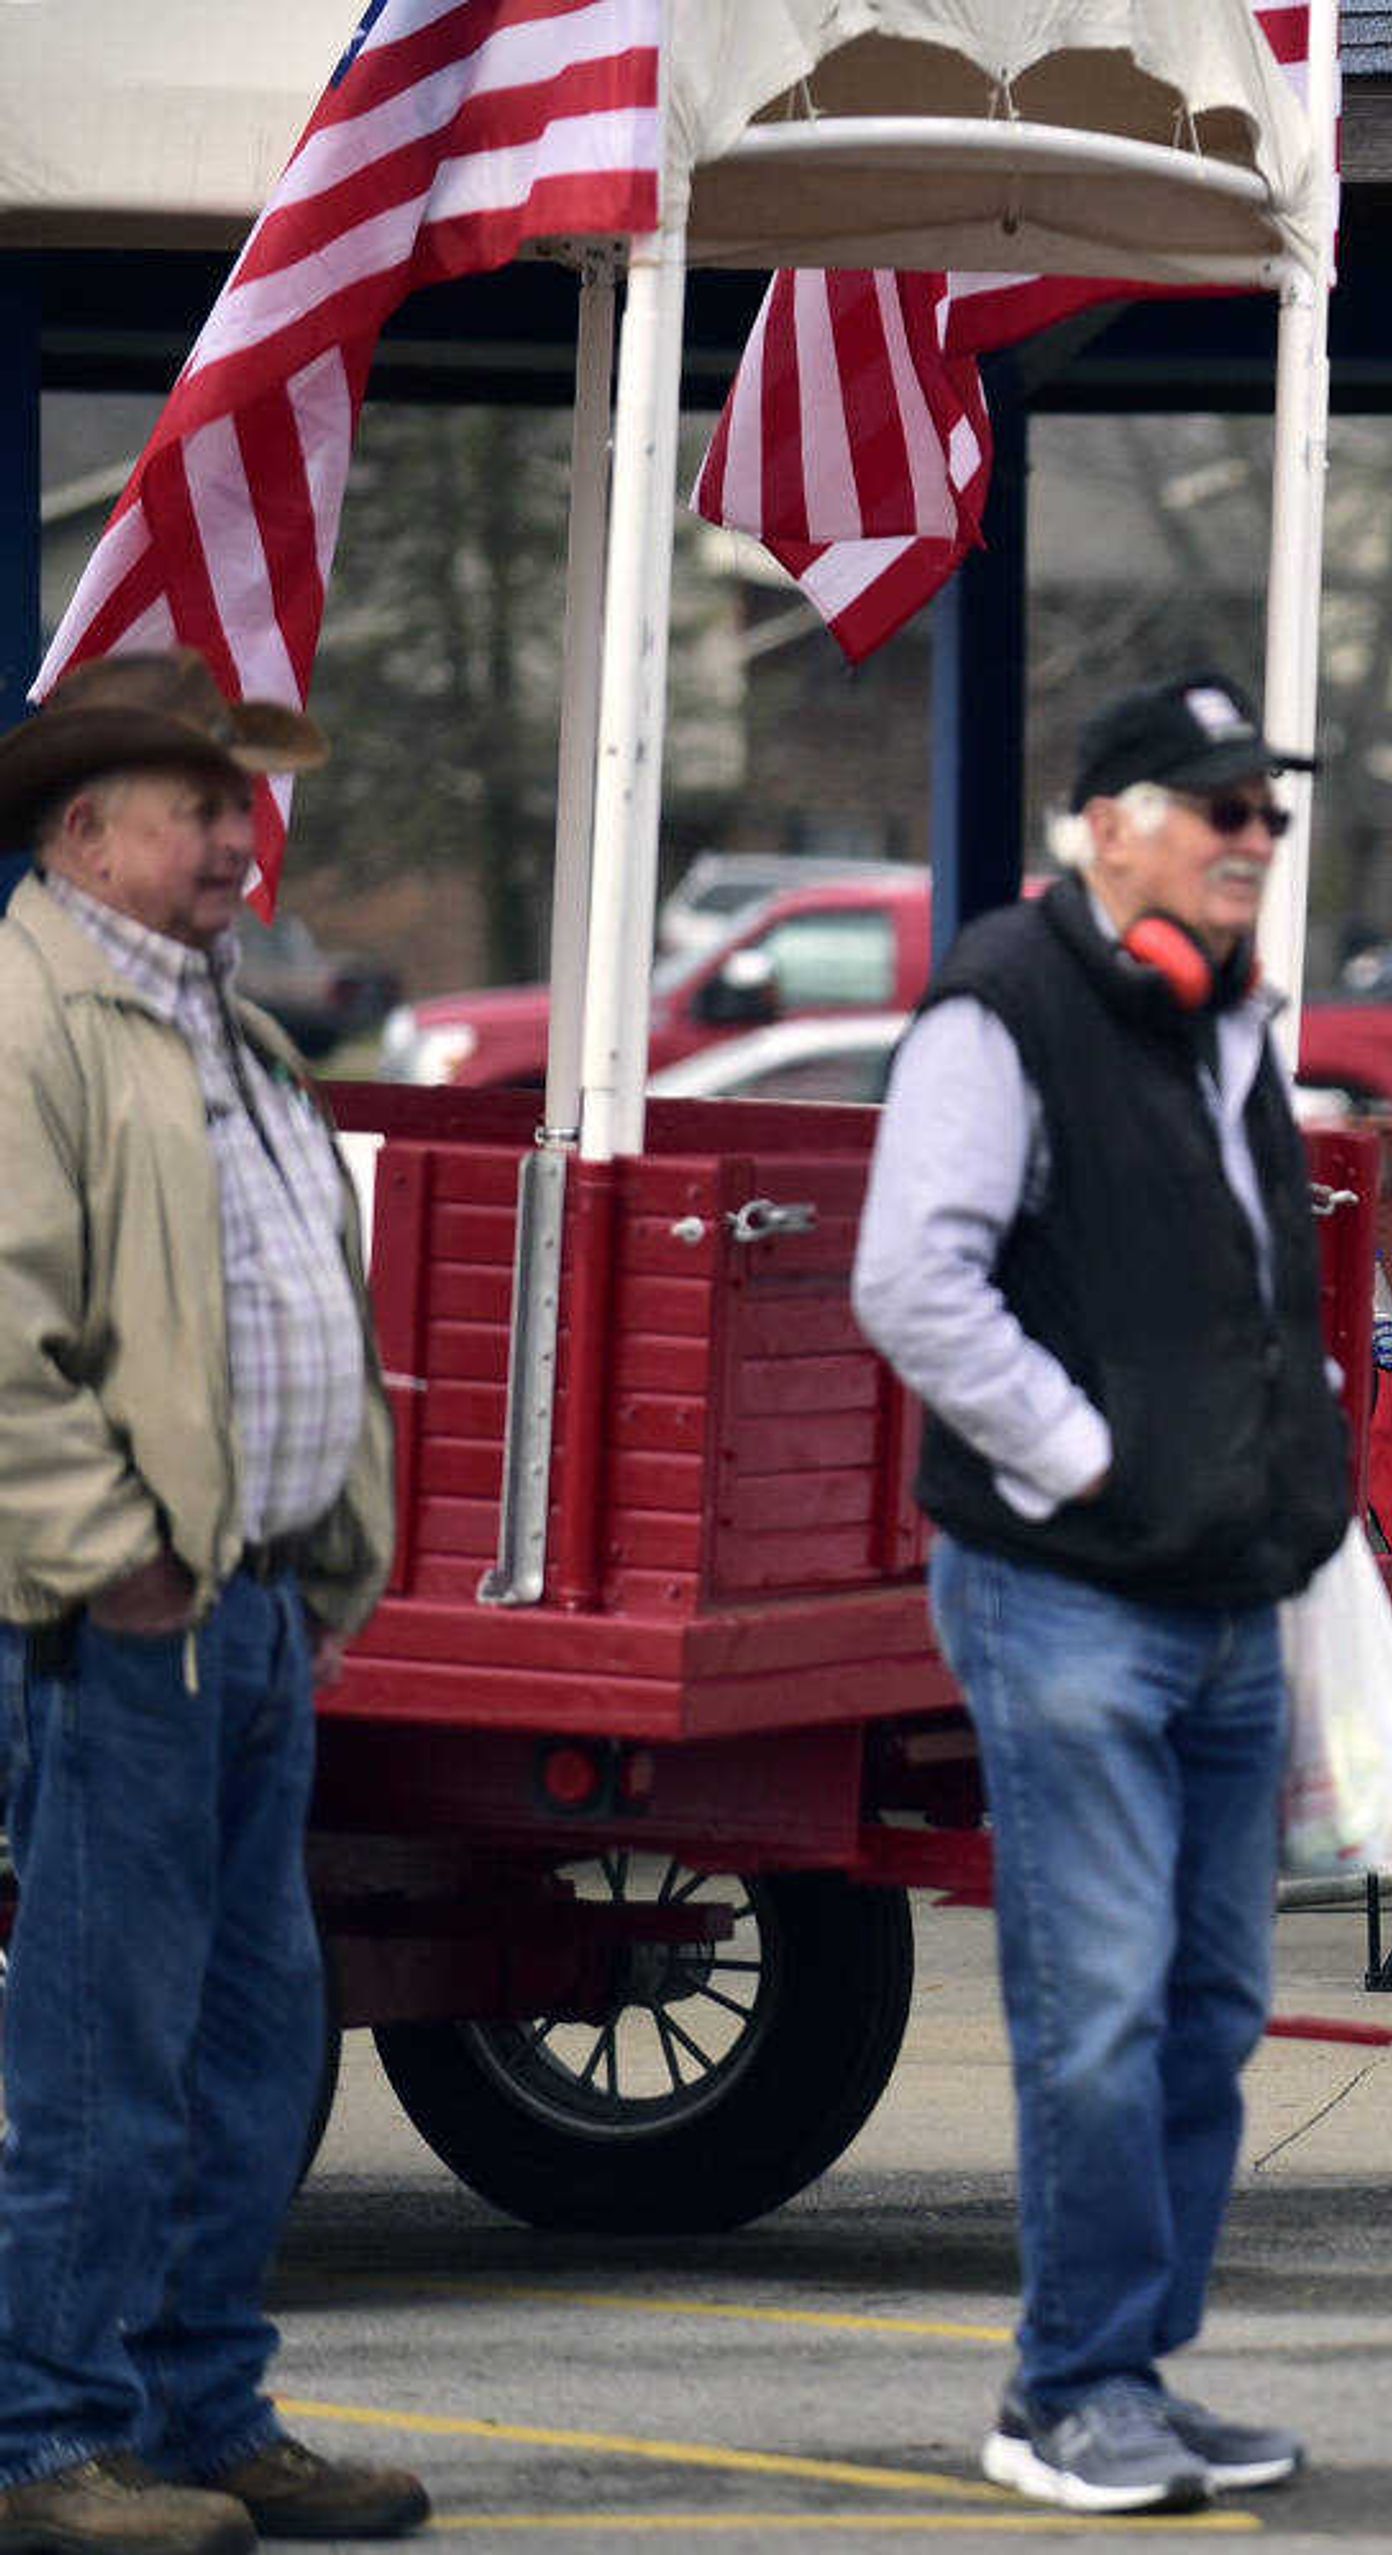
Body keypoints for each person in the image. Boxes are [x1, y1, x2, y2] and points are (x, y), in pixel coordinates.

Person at [853, 671, 1351, 2518]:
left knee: (1210, 2007)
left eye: (1269, 815)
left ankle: (1126, 2367)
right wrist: (1094, 1464)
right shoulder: (1008, 1006)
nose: (1252, 841)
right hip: (1068, 1588)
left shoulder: (1224, 1025)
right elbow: (914, 1283)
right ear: (1108, 823)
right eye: (1218, 808)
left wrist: (1286, 1494)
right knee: (1103, 2006)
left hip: (1221, 1594)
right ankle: (1065, 2391)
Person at [0, 651, 431, 2551]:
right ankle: (44, 2443)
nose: (240, 845)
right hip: (123, 1628)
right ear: (87, 831)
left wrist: (328, 1547)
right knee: (107, 2046)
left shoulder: (217, 1032)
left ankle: (199, 2411)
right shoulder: (34, 1027)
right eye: (201, 811)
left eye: (242, 811)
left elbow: (295, 1304)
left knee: (252, 2039)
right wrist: (121, 1559)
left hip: (246, 1616)